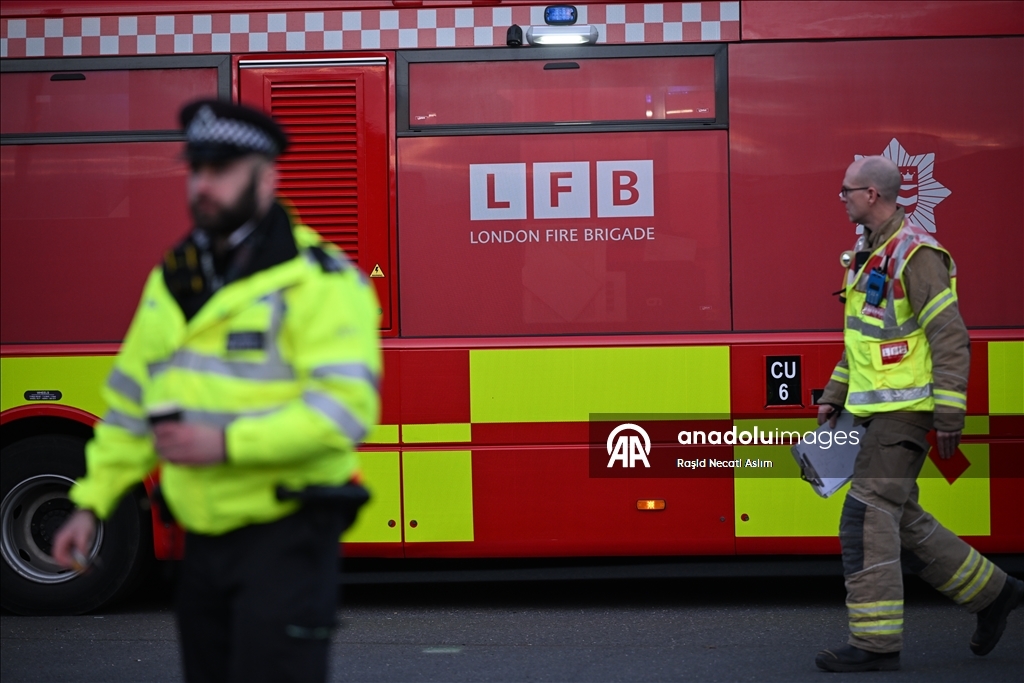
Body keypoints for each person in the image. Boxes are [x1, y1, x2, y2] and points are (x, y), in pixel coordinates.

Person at [52, 99, 381, 683]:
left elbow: (345, 412)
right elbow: (132, 402)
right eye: (196, 169)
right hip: (202, 545)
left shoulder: (321, 282)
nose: (203, 185)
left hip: (287, 539)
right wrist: (90, 502)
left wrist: (224, 444)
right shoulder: (175, 277)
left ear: (267, 175)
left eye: (221, 170)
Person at [813, 156, 1023, 672]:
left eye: (847, 190)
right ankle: (995, 593)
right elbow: (863, 337)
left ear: (874, 195)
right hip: (877, 414)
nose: (840, 197)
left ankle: (876, 645)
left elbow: (949, 335)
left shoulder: (916, 254)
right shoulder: (870, 253)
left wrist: (950, 414)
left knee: (864, 518)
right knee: (903, 519)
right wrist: (835, 394)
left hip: (905, 414)